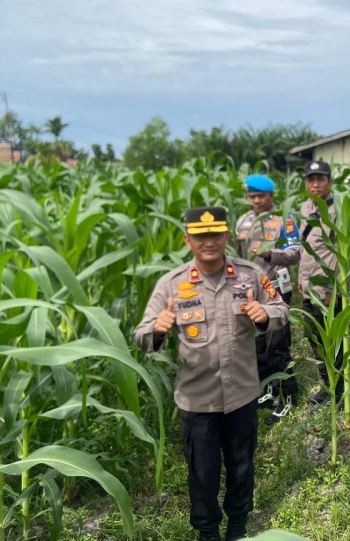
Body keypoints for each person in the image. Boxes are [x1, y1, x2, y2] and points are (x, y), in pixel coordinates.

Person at [134, 206, 288, 541]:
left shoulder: (249, 275)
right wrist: (158, 330)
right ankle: (207, 533)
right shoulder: (171, 285)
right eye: (201, 235)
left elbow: (281, 310)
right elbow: (141, 335)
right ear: (187, 239)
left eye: (215, 234)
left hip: (242, 395)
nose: (209, 241)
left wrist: (264, 315)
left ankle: (237, 527)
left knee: (242, 468)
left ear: (227, 236)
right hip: (197, 401)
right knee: (202, 476)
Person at [234, 174, 301, 425]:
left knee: (277, 347)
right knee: (258, 346)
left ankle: (288, 396)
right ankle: (269, 390)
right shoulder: (243, 221)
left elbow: (295, 254)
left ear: (272, 195)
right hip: (250, 292)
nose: (256, 200)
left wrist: (269, 253)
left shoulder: (284, 219)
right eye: (252, 196)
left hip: (275, 290)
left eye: (261, 196)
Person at [297, 160, 342, 407]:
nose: (315, 184)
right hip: (309, 287)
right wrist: (300, 281)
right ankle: (327, 385)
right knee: (313, 336)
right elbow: (306, 249)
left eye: (320, 179)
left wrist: (331, 289)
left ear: (329, 182)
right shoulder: (306, 207)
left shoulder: (338, 212)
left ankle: (338, 388)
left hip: (327, 290)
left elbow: (342, 254)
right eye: (311, 179)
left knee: (332, 340)